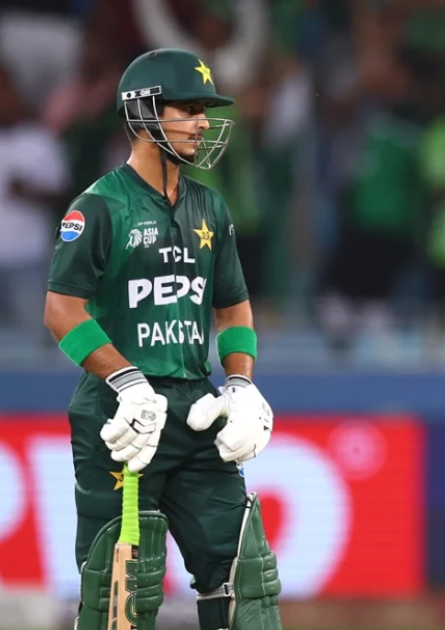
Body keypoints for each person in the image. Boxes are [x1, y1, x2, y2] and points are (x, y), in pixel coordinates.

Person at [43, 48, 281, 630]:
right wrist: (127, 383)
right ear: (145, 112)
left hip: (197, 411)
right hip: (121, 418)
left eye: (205, 110)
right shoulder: (98, 207)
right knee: (121, 586)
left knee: (244, 576)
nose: (203, 122)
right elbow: (60, 311)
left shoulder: (210, 205)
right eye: (190, 108)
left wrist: (243, 386)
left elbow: (233, 307)